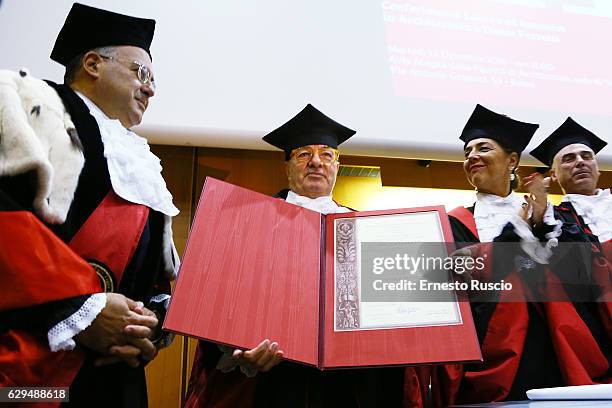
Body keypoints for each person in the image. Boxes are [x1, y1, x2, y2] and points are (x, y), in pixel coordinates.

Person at [0, 3, 179, 407]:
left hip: (116, 379)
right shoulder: (28, 105)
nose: (150, 89)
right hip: (31, 370)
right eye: (141, 73)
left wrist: (147, 323)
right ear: (94, 64)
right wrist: (76, 309)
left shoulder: (143, 162)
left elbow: (151, 277)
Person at [185, 104, 416, 407]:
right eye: (304, 154)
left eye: (326, 155)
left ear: (337, 165)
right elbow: (220, 299)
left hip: (347, 379)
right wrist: (235, 346)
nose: (316, 162)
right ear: (288, 166)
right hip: (272, 375)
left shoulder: (365, 229)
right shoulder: (249, 221)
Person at [430, 104, 568, 405]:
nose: (472, 157)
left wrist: (541, 228)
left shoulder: (548, 216)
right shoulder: (455, 221)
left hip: (546, 342)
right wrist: (517, 232)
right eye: (467, 152)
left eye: (483, 148)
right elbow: (465, 277)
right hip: (489, 344)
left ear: (512, 160)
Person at [530, 117, 611, 384]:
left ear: (597, 167)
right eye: (568, 158)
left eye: (586, 156)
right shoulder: (554, 220)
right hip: (596, 323)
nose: (579, 161)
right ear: (553, 175)